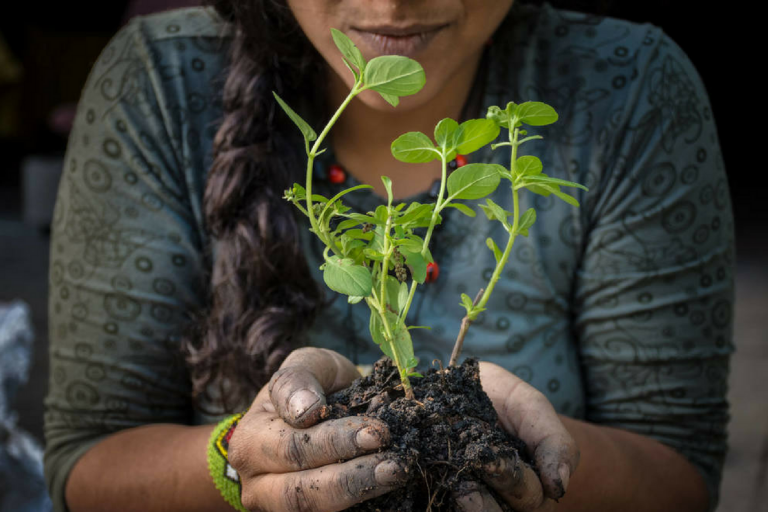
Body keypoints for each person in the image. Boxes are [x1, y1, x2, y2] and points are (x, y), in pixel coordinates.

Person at [43, 1, 733, 511]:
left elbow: (680, 477)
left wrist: (511, 444)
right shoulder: (159, 81)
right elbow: (86, 464)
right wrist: (238, 457)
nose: (394, 2)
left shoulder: (630, 84)